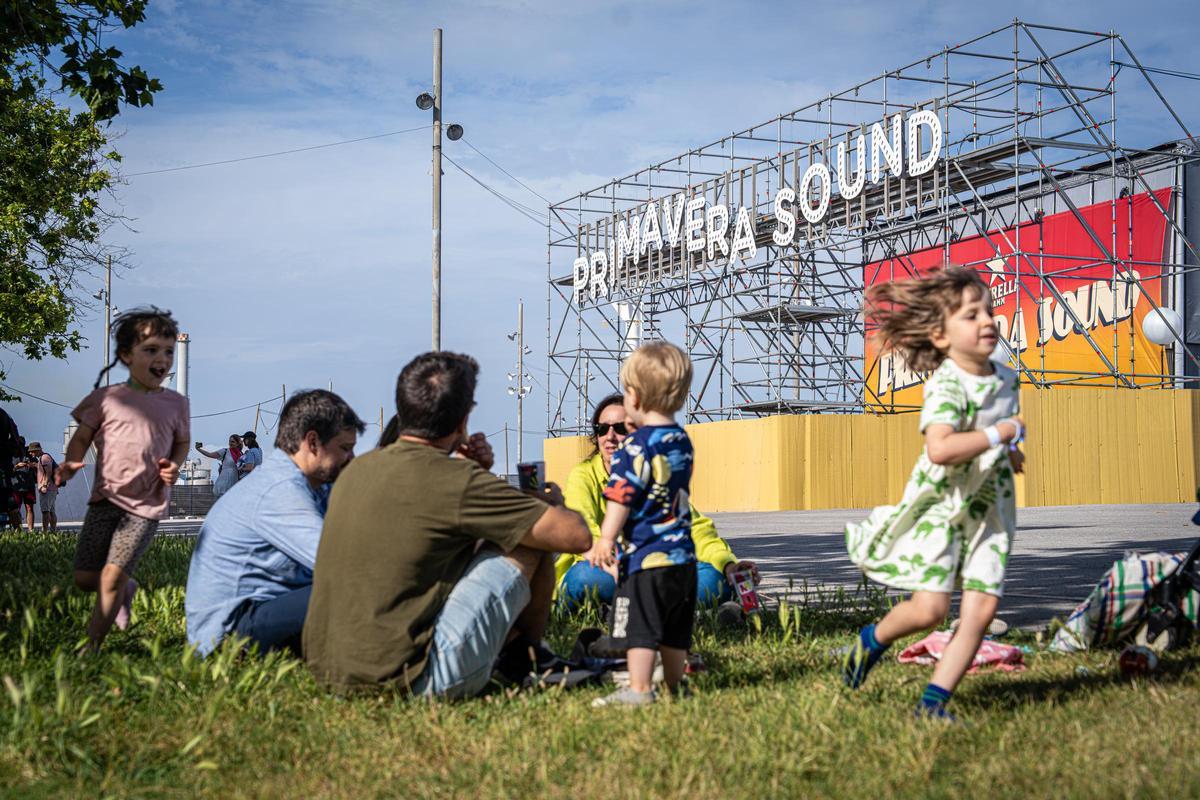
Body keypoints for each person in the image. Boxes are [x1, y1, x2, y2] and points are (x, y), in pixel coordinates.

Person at [303, 351, 591, 698]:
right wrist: (550, 503)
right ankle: (526, 660)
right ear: (463, 419)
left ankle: (518, 654)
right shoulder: (455, 479)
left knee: (511, 528)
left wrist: (477, 476)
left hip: (328, 673)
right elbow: (575, 536)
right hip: (409, 681)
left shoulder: (358, 471)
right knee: (529, 536)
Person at [842, 266, 1025, 721]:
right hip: (945, 508)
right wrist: (999, 435)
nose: (987, 321)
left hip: (991, 511)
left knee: (981, 612)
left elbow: (997, 435)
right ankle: (873, 639)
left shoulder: (1006, 378)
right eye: (970, 315)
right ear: (940, 336)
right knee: (930, 609)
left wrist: (1010, 452)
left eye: (989, 310)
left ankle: (933, 704)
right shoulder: (945, 385)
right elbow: (940, 448)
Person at [185, 390, 364, 657]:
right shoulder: (280, 491)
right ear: (312, 442)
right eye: (344, 448)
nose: (351, 459)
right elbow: (340, 562)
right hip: (228, 636)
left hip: (262, 610)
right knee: (356, 587)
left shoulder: (312, 486)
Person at [57, 307, 190, 652]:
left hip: (145, 505)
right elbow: (83, 435)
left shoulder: (176, 404)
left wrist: (174, 466)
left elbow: (182, 442)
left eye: (169, 351)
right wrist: (72, 461)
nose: (162, 359)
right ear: (126, 356)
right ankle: (125, 588)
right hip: (105, 501)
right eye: (151, 350)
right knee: (87, 579)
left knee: (111, 577)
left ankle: (93, 645)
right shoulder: (107, 398)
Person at [557, 393, 758, 612]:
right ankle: (674, 611)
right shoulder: (583, 475)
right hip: (606, 569)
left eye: (620, 428)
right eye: (602, 429)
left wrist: (728, 565)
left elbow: (696, 530)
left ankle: (624, 610)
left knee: (713, 578)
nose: (610, 437)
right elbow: (585, 533)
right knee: (583, 578)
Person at [584, 341, 698, 707]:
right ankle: (674, 685)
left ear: (632, 396)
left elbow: (621, 495)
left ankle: (638, 689)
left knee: (642, 629)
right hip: (683, 558)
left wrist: (605, 538)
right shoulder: (681, 440)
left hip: (648, 557)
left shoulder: (634, 448)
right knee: (675, 630)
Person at [27, 441, 58, 532]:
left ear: (37, 450)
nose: (30, 453)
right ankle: (53, 530)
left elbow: (48, 473)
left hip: (47, 489)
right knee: (51, 511)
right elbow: (44, 469)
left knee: (45, 511)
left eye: (32, 451)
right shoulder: (43, 458)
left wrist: (44, 485)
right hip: (51, 488)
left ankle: (45, 532)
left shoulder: (44, 458)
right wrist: (34, 465)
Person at [11, 437, 36, 530]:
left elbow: (37, 465)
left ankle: (31, 530)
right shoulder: (11, 455)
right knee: (15, 509)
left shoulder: (28, 454)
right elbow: (8, 471)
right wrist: (17, 466)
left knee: (29, 508)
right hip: (16, 485)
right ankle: (18, 529)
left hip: (29, 485)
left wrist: (30, 465)